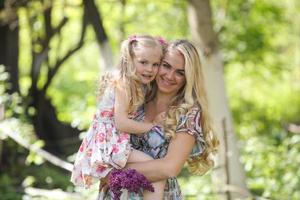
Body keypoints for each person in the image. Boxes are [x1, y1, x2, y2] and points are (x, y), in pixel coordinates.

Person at [98, 39, 219, 199]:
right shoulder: (136, 98)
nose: (169, 76)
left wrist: (113, 174)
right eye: (166, 66)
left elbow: (169, 168)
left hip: (156, 194)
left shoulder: (188, 113)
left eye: (180, 72)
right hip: (117, 194)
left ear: (188, 77)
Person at [71, 35, 167, 199]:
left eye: (155, 64)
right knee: (157, 169)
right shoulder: (122, 83)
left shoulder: (136, 84)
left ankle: (112, 180)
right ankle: (111, 178)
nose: (150, 69)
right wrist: (153, 126)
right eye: (143, 62)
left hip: (113, 140)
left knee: (153, 172)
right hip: (108, 142)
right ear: (130, 60)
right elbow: (121, 123)